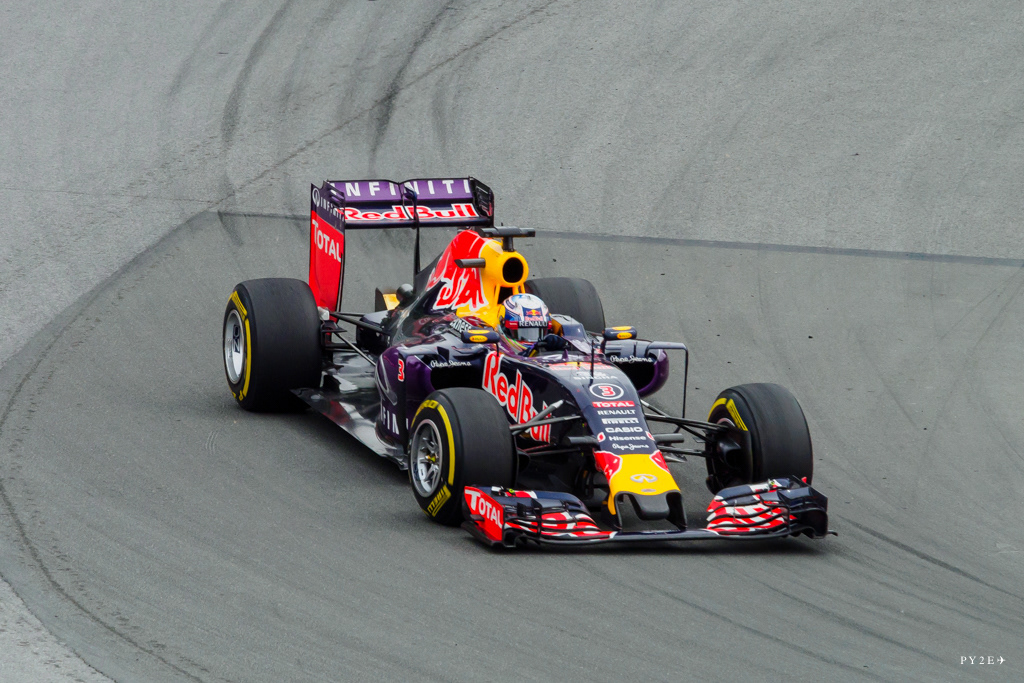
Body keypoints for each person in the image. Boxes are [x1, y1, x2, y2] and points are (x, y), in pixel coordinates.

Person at [499, 293, 567, 354]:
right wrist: (531, 351)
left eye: (540, 332)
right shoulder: (494, 347)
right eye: (524, 333)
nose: (531, 342)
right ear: (504, 329)